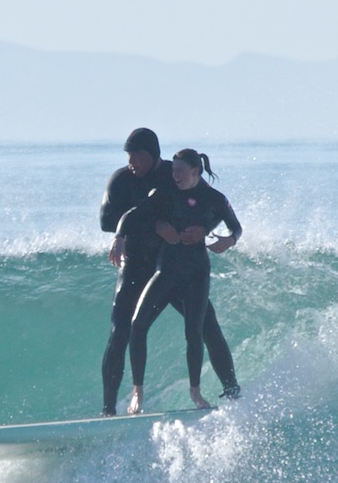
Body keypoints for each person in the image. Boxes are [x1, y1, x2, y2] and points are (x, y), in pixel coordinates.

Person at [100, 129, 240, 415]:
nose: (131, 162)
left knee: (206, 327)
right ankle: (109, 411)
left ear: (153, 154)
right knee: (120, 331)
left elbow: (206, 208)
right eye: (128, 156)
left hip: (172, 263)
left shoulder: (172, 173)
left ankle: (234, 394)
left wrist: (208, 232)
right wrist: (155, 225)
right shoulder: (122, 180)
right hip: (137, 265)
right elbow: (107, 221)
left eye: (137, 155)